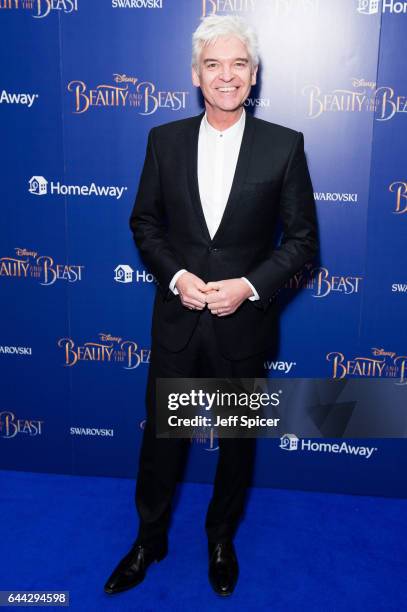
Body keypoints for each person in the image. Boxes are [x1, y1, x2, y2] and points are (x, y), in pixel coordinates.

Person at [104, 13, 318, 597]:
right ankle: (150, 539)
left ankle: (220, 538)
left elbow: (303, 243)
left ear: (254, 75)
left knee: (236, 447)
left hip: (242, 327)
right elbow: (144, 223)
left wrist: (247, 287)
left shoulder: (285, 146)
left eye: (238, 64)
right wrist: (175, 276)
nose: (226, 76)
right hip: (177, 325)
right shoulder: (164, 140)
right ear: (196, 75)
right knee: (160, 444)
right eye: (213, 65)